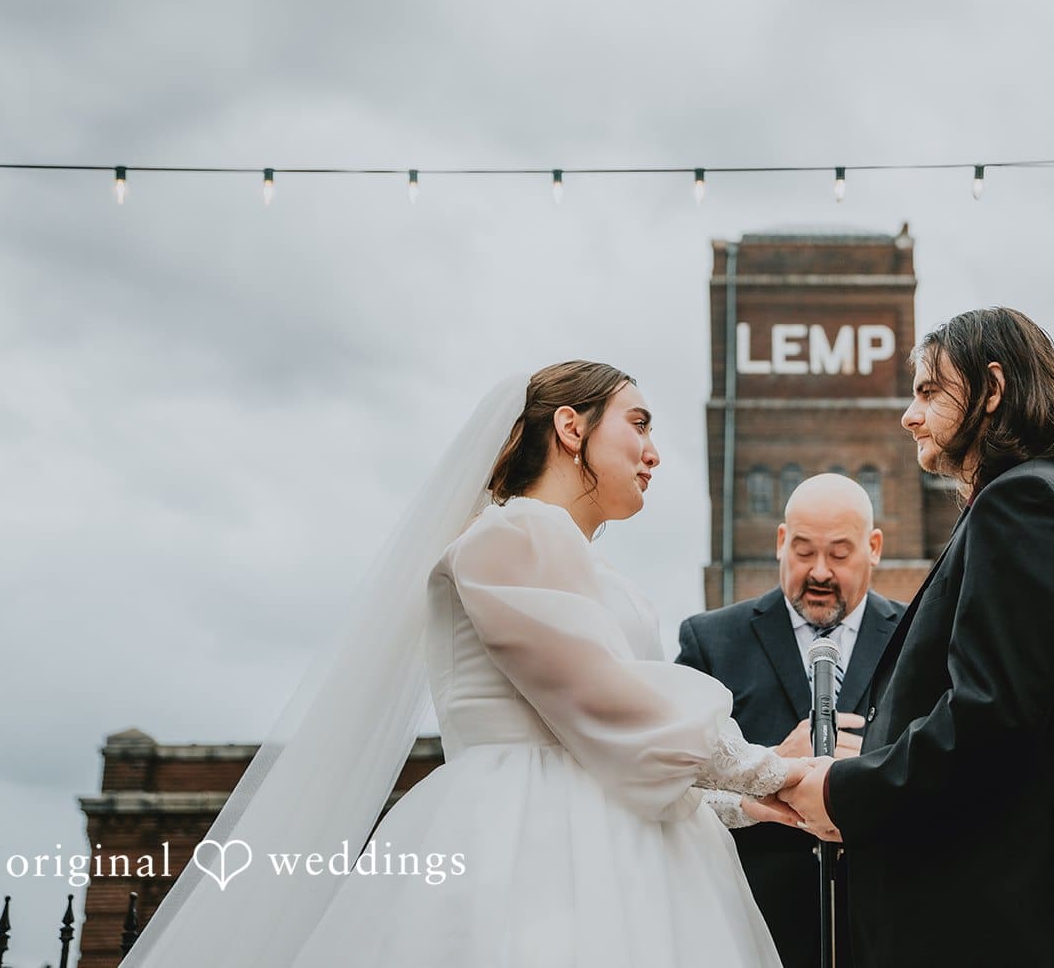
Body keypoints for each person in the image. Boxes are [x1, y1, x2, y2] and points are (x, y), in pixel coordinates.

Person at [121, 361, 804, 967]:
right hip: (526, 840)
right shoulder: (510, 534)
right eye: (639, 423)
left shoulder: (587, 565)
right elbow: (606, 701)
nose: (653, 453)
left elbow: (617, 747)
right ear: (571, 427)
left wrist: (742, 800)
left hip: (623, 840)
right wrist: (776, 770)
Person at [778, 308, 1054, 967]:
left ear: (992, 389)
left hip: (996, 927)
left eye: (928, 391)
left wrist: (842, 791)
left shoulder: (1025, 504)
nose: (909, 417)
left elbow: (990, 717)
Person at [675, 473, 904, 968]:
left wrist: (875, 771)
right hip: (754, 932)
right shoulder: (711, 642)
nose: (819, 571)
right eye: (803, 551)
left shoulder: (917, 639)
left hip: (887, 931)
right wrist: (773, 764)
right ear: (781, 542)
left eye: (839, 554)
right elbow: (672, 785)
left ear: (874, 548)